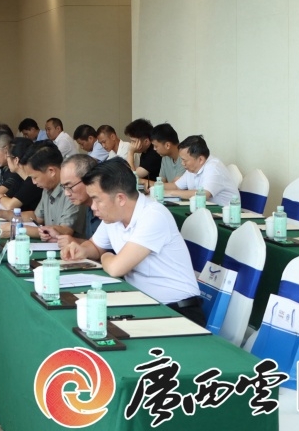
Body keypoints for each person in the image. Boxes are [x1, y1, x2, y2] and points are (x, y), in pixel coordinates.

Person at [60, 158, 205, 326]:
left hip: (177, 312)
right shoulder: (113, 217)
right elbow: (94, 246)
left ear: (120, 198)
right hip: (143, 302)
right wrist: (82, 250)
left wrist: (106, 256)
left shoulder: (153, 216)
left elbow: (115, 268)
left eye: (97, 199)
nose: (93, 206)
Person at [20, 141, 85, 239]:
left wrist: (17, 229)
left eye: (35, 177)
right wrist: (4, 214)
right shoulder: (47, 186)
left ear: (51, 171)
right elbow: (37, 217)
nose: (34, 182)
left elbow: (65, 230)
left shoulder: (71, 190)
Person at [38, 155, 100, 245]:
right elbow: (97, 246)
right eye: (64, 187)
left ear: (89, 179)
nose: (66, 193)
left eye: (69, 186)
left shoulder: (107, 208)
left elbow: (108, 250)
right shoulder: (88, 207)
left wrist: (73, 241)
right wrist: (61, 238)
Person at [165, 135, 239, 206]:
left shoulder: (214, 168)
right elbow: (176, 186)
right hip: (206, 210)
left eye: (185, 160)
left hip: (225, 212)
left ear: (200, 159)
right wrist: (158, 187)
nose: (182, 163)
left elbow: (204, 194)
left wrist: (170, 193)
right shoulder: (192, 168)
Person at [0, 137, 43, 214]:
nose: (6, 159)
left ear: (16, 160)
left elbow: (10, 205)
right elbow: (6, 196)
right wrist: (2, 197)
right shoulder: (19, 177)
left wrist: (0, 198)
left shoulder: (32, 181)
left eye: (7, 156)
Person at [124, 118, 163, 183]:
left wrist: (131, 152)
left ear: (146, 141)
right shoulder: (145, 151)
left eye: (134, 141)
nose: (131, 144)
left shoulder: (154, 154)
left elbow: (132, 177)